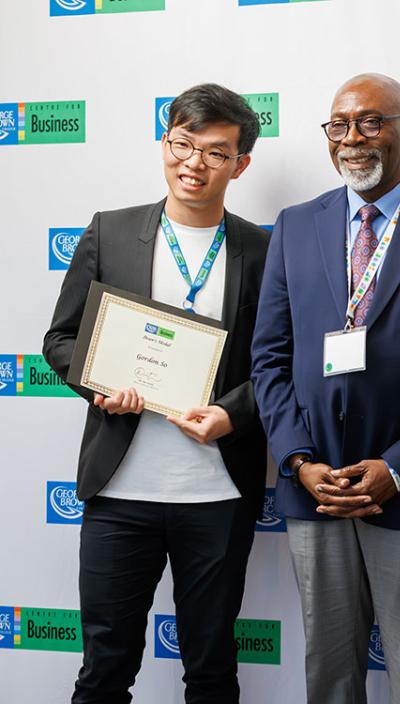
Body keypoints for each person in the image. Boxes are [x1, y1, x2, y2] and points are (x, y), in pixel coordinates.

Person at [250, 73, 400, 704]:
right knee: (328, 675)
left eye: (370, 122)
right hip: (317, 490)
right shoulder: (296, 225)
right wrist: (299, 463)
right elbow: (269, 359)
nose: (352, 138)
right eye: (339, 124)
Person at [43, 83, 269, 704]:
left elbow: (282, 362)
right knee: (104, 671)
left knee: (212, 669)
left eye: (216, 153)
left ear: (240, 164)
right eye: (182, 144)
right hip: (119, 492)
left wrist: (231, 413)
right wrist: (98, 384)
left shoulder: (263, 248)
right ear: (164, 142)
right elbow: (60, 340)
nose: (194, 162)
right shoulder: (109, 232)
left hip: (218, 494)